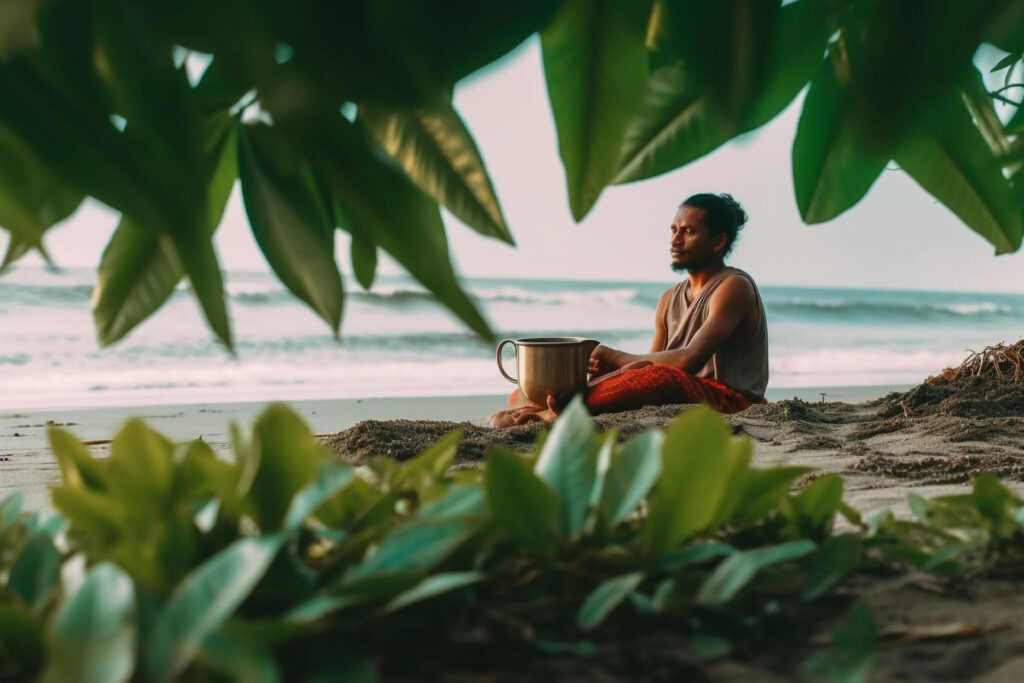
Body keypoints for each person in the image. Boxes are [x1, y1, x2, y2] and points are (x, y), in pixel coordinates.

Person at [490, 192, 768, 427]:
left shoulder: (733, 286)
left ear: (719, 242)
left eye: (689, 231)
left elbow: (687, 362)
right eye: (674, 229)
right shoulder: (668, 298)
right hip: (676, 389)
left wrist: (616, 356)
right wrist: (609, 369)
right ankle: (550, 404)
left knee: (656, 380)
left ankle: (552, 412)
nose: (675, 240)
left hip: (728, 400)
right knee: (528, 391)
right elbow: (647, 363)